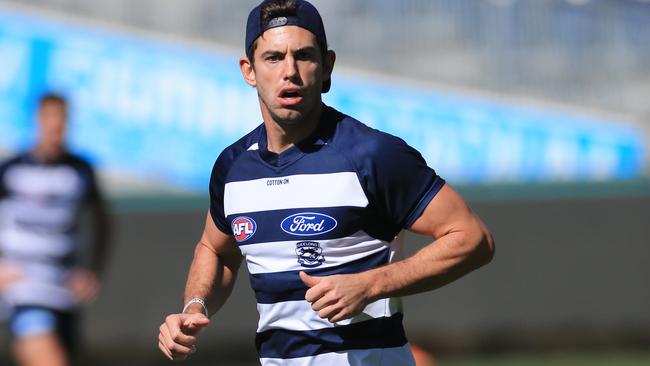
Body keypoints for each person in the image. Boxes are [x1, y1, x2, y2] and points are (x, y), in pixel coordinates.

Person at [157, 0, 494, 365]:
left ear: (327, 66)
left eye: (303, 56)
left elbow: (472, 239)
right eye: (273, 58)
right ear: (249, 70)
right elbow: (216, 250)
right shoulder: (233, 166)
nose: (290, 71)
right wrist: (194, 306)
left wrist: (369, 285)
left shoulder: (372, 154)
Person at [0, 93, 111, 366]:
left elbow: (103, 223)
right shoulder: (11, 170)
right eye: (49, 119)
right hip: (22, 290)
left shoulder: (80, 171)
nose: (55, 127)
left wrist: (92, 270)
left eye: (60, 120)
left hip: (61, 289)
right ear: (38, 121)